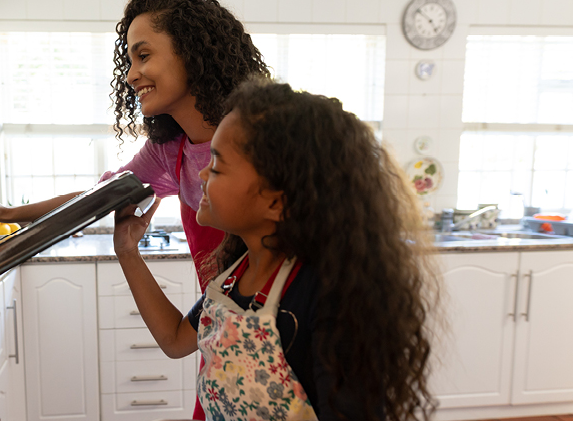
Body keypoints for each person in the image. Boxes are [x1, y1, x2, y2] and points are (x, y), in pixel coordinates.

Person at [112, 78, 440, 421]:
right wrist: (127, 251)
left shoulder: (327, 294)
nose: (204, 172)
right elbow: (175, 339)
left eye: (218, 165)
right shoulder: (234, 275)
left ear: (276, 201)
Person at [0, 0, 269, 293]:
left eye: (144, 55)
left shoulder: (264, 136)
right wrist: (5, 213)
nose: (130, 74)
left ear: (191, 53)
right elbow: (97, 199)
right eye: (130, 60)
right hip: (223, 328)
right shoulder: (170, 152)